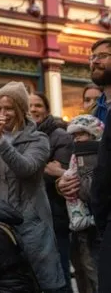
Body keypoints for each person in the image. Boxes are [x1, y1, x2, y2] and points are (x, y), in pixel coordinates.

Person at [0, 81, 67, 292]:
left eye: (8, 108)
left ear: (20, 109)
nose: (2, 113)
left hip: (31, 223)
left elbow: (25, 168)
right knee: (2, 282)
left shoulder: (38, 139)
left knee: (40, 280)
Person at [29, 92, 74, 292]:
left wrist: (27, 168)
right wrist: (43, 166)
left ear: (46, 109)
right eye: (29, 106)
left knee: (58, 272)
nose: (33, 110)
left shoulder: (60, 136)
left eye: (38, 105)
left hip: (54, 213)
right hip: (29, 214)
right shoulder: (19, 134)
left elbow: (59, 174)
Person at [60, 115, 104, 293]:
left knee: (95, 274)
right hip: (83, 225)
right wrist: (63, 182)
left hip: (93, 224)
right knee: (86, 274)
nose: (77, 139)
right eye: (75, 135)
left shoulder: (88, 155)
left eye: (81, 134)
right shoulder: (76, 156)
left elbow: (88, 191)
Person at [89, 38, 111, 292]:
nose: (96, 60)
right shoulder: (95, 113)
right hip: (98, 214)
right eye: (93, 56)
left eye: (103, 55)